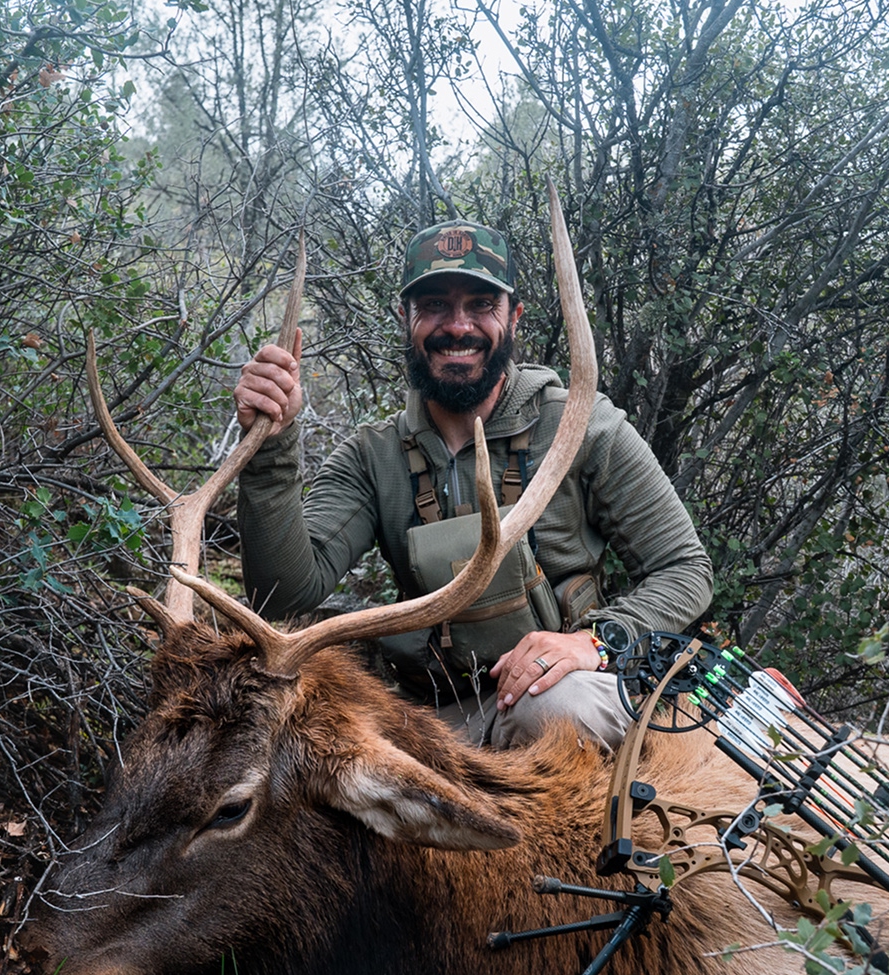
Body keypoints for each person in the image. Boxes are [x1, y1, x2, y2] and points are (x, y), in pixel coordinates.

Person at [231, 220, 712, 752]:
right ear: (405, 319)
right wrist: (271, 445)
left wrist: (593, 643)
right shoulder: (373, 456)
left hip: (552, 696)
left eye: (481, 304)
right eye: (434, 304)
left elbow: (684, 568)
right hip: (421, 722)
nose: (457, 326)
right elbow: (282, 597)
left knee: (560, 712)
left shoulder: (583, 425)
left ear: (513, 317)